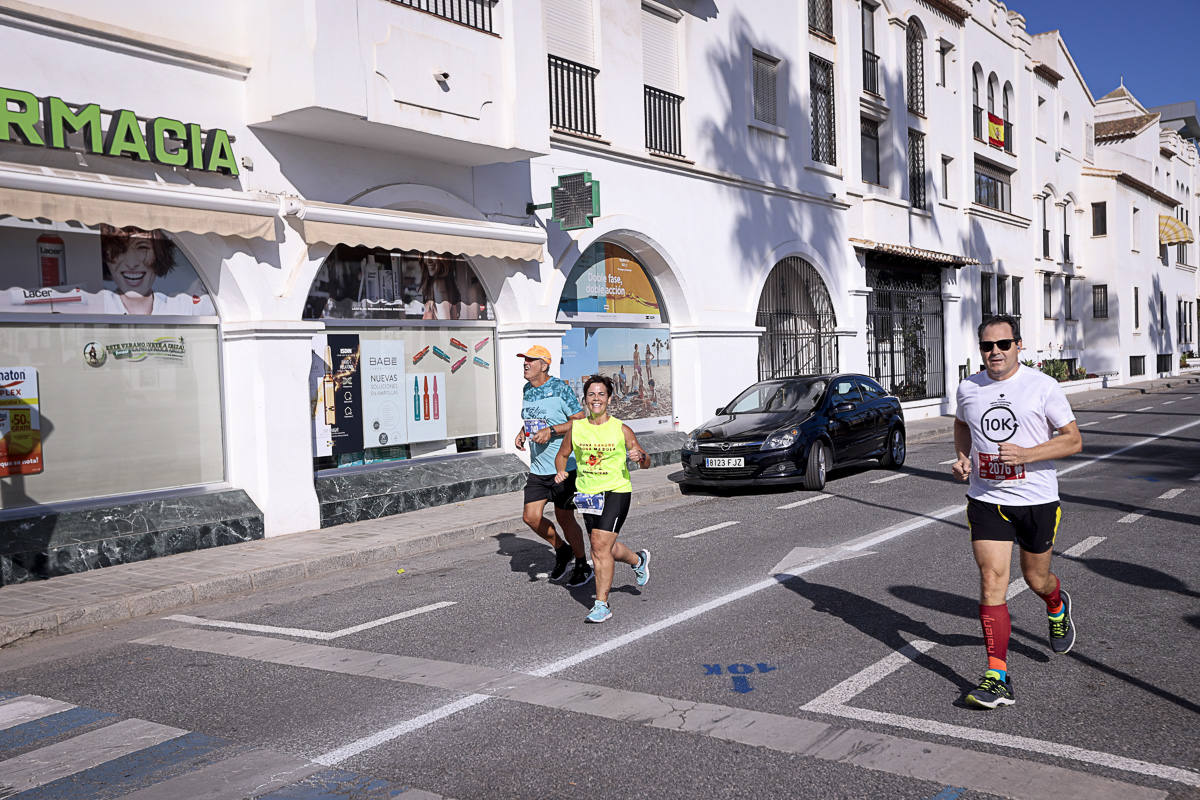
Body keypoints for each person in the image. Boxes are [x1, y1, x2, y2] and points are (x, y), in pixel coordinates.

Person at [951, 313, 1081, 709]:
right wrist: (962, 457)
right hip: (987, 498)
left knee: (1036, 577)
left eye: (1003, 344)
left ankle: (1056, 603)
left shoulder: (1042, 386)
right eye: (987, 346)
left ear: (1018, 346)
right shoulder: (968, 388)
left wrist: (1027, 454)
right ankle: (997, 676)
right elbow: (962, 425)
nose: (995, 352)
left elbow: (1073, 440)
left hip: (1036, 500)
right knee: (992, 579)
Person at [554, 374, 651, 623]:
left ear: (609, 398)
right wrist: (561, 471)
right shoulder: (577, 428)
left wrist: (640, 457)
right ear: (585, 399)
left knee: (598, 546)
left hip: (616, 491)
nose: (596, 399)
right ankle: (638, 559)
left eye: (601, 394)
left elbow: (647, 461)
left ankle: (601, 604)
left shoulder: (621, 429)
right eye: (591, 395)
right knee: (603, 547)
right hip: (588, 493)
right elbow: (563, 455)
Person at [515, 345, 592, 586]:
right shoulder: (528, 389)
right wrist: (522, 432)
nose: (525, 363)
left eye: (531, 360)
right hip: (538, 468)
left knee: (565, 518)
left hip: (563, 467)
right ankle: (562, 549)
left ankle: (581, 562)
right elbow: (532, 418)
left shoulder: (560, 388)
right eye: (524, 360)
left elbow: (580, 421)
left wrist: (552, 431)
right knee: (531, 517)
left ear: (544, 365)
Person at [96, 224, 214, 315]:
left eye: (142, 248)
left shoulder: (180, 307)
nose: (132, 264)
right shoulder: (95, 304)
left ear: (158, 254)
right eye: (119, 250)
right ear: (106, 256)